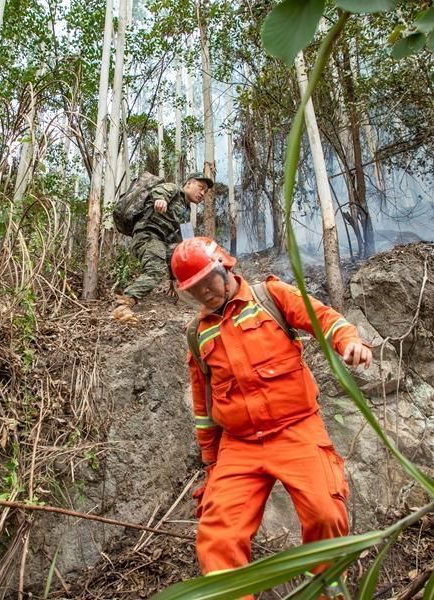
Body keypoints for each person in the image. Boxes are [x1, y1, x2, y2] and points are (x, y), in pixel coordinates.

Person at [171, 237, 373, 599]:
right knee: (218, 538)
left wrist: (348, 341)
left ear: (225, 268)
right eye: (194, 291)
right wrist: (211, 463)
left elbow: (323, 317)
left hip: (296, 428)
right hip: (239, 445)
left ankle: (323, 592)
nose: (204, 295)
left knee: (326, 514)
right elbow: (204, 407)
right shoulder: (197, 335)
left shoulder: (271, 297)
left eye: (207, 283)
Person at [112, 173, 214, 324]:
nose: (202, 193)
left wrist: (174, 279)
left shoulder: (186, 212)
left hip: (160, 241)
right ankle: (124, 303)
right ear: (188, 184)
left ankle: (189, 294)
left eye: (205, 192)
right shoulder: (173, 190)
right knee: (156, 271)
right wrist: (160, 200)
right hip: (147, 235)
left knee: (181, 250)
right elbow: (159, 191)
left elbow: (183, 242)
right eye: (201, 188)